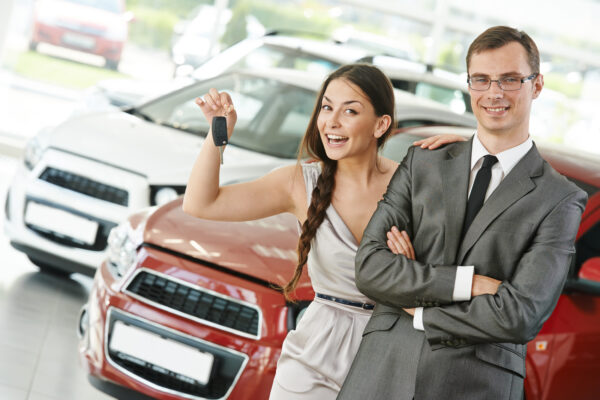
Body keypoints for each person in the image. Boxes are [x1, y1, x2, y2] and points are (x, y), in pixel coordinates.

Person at [182, 63, 464, 399]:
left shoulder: (417, 185)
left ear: (381, 124)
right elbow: (202, 203)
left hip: (391, 355)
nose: (332, 121)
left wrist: (473, 155)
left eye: (350, 111)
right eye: (327, 107)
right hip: (313, 357)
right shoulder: (299, 183)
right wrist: (219, 131)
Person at [337, 26, 588, 400]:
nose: (494, 93)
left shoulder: (560, 199)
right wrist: (468, 284)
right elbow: (371, 268)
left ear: (536, 86)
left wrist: (417, 307)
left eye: (510, 80)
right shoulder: (423, 163)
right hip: (382, 371)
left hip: (474, 385)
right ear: (469, 84)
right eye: (482, 80)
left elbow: (519, 314)